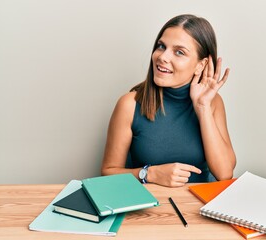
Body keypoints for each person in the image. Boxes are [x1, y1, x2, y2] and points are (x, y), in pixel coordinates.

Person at [101, 14, 236, 187]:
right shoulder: (129, 104)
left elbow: (225, 174)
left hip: (197, 207)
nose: (163, 57)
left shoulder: (212, 102)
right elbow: (108, 172)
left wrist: (202, 107)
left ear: (200, 65)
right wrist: (150, 173)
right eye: (161, 46)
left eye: (179, 52)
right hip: (151, 208)